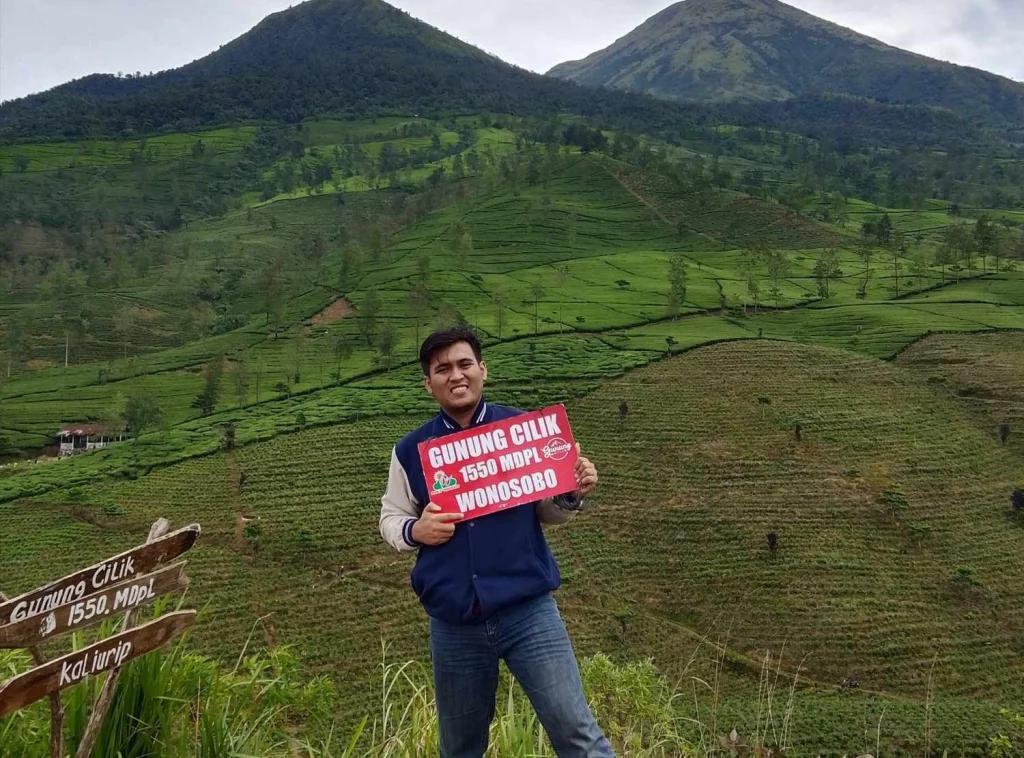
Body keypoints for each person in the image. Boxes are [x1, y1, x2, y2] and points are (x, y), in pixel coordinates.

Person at [379, 326, 615, 758]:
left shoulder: (523, 431)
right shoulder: (410, 450)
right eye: (442, 368)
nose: (456, 375)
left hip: (529, 613)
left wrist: (571, 492)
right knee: (460, 749)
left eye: (465, 364)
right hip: (455, 624)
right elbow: (391, 517)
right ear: (427, 383)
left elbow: (548, 511)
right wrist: (417, 531)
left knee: (577, 734)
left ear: (482, 370)